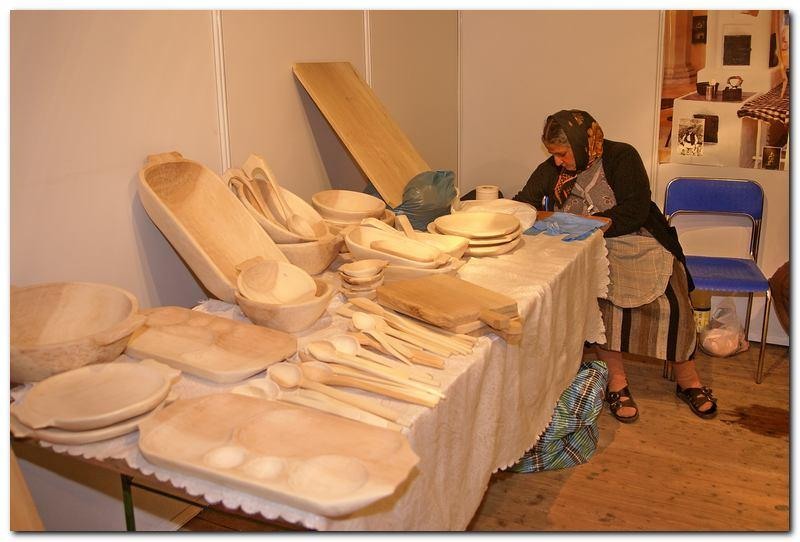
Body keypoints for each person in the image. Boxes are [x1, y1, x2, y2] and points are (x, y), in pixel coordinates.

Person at [513, 109, 717, 422]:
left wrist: (587, 223)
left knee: (674, 302)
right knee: (602, 300)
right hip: (592, 248)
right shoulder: (552, 170)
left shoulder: (622, 157)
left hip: (638, 238)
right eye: (553, 154)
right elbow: (524, 201)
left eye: (562, 153)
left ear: (582, 144)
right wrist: (515, 214)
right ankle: (616, 382)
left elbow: (635, 210)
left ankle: (688, 380)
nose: (557, 161)